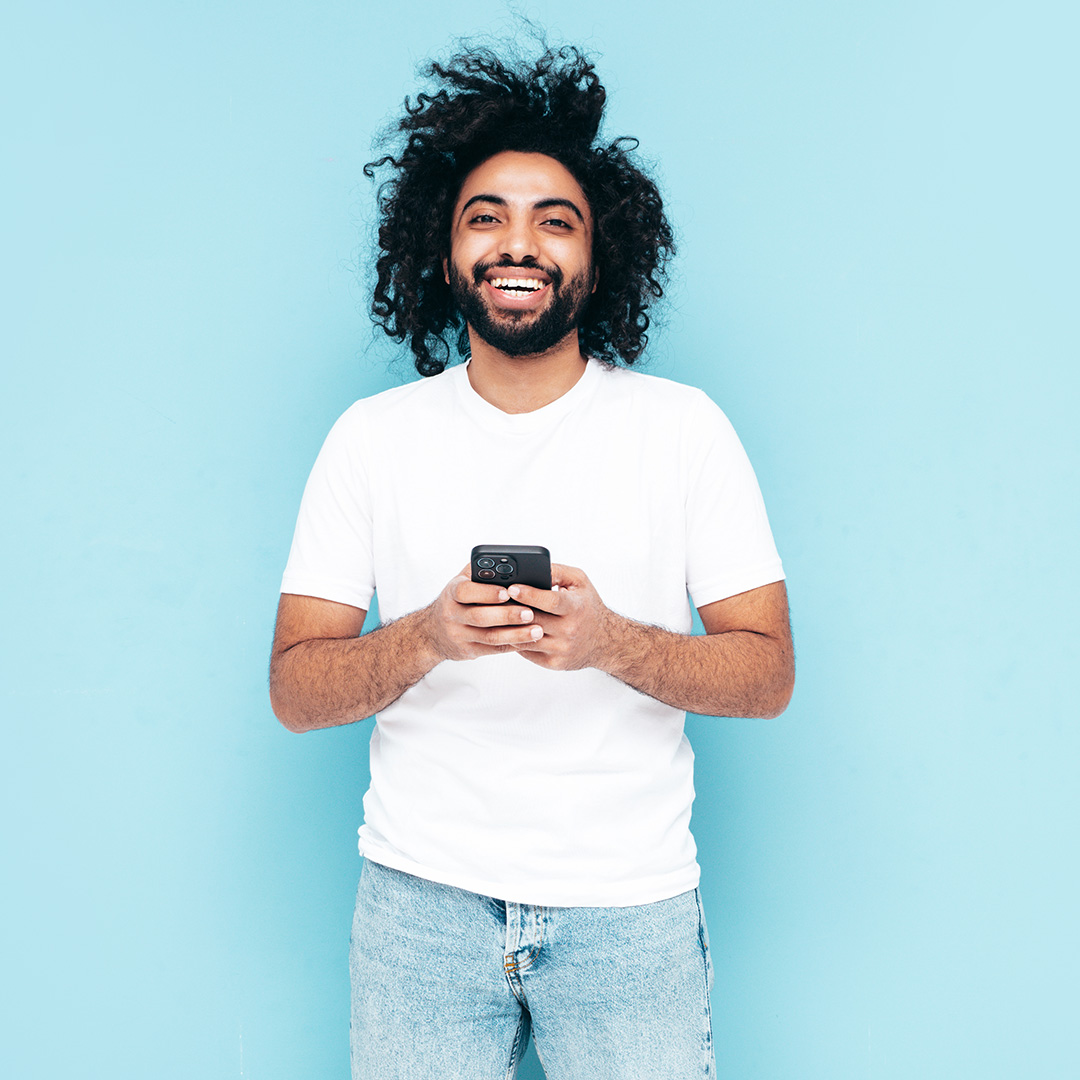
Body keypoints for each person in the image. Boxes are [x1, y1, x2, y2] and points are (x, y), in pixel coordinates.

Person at [270, 41, 794, 1080]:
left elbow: (767, 673)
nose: (520, 243)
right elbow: (295, 688)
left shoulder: (683, 431)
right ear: (445, 250)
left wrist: (612, 644)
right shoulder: (370, 439)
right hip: (420, 910)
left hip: (629, 911)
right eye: (487, 217)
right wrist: (425, 638)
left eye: (555, 220)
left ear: (600, 259)